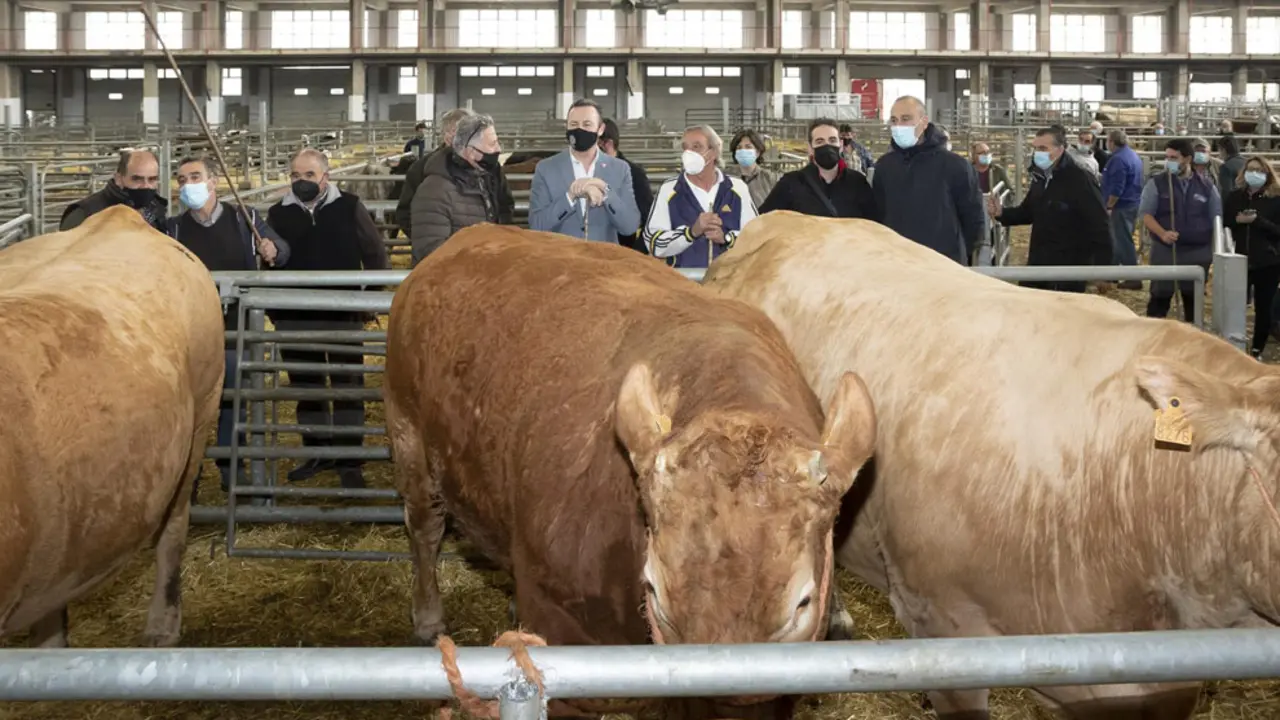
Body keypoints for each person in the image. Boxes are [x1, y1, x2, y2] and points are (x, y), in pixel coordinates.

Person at [266, 148, 391, 489]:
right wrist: (274, 306)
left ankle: (350, 458)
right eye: (294, 176)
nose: (301, 182)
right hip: (296, 315)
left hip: (342, 312)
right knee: (307, 384)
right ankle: (317, 450)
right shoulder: (278, 214)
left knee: (347, 383)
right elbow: (268, 262)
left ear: (325, 177)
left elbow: (375, 252)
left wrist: (367, 298)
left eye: (308, 175)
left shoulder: (349, 207)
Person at [166, 155, 290, 496]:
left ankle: (230, 465)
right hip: (190, 327)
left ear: (213, 182)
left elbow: (282, 250)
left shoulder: (244, 219)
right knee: (187, 401)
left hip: (236, 326)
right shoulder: (173, 228)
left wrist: (272, 249)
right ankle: (186, 475)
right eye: (180, 179)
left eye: (194, 176)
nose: (187, 184)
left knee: (232, 396)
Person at [987, 125, 1111, 293]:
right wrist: (1002, 213)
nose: (1037, 153)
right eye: (1036, 148)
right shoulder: (1040, 177)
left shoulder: (1080, 180)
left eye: (1043, 148)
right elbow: (1028, 212)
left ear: (1060, 150)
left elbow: (1100, 224)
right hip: (1039, 261)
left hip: (1067, 268)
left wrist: (1103, 270)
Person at [872, 95, 984, 264]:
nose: (898, 126)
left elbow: (973, 219)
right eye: (894, 120)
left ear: (924, 122)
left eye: (906, 119)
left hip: (943, 264)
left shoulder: (956, 166)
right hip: (897, 263)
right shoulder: (884, 167)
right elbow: (879, 215)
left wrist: (957, 251)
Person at [644, 124, 757, 268]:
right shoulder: (669, 190)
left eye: (696, 147)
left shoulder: (737, 188)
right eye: (685, 147)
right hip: (682, 282)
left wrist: (726, 238)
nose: (688, 153)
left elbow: (755, 237)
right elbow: (653, 242)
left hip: (728, 282)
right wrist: (690, 233)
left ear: (713, 152)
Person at [528, 97, 640, 242]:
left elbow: (630, 226)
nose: (579, 129)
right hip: (560, 259)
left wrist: (606, 192)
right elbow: (536, 225)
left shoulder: (620, 169)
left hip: (603, 260)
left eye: (587, 124)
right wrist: (569, 197)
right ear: (566, 127)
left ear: (600, 129)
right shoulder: (546, 168)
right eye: (574, 124)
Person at [409, 112, 514, 265]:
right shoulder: (434, 192)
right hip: (455, 281)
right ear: (471, 152)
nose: (498, 149)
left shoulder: (487, 178)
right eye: (493, 144)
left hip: (484, 274)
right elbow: (432, 254)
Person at [1140, 138, 1221, 323]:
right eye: (1167, 157)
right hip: (1166, 251)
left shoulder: (1207, 186)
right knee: (1159, 298)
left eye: (1174, 158)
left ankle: (1192, 339)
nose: (1169, 162)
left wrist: (1214, 251)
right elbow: (1146, 214)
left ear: (1188, 159)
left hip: (1197, 253)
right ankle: (1153, 337)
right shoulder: (1157, 183)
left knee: (1193, 302)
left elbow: (1216, 217)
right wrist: (1162, 233)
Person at [759, 118, 878, 221]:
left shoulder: (857, 183)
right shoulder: (791, 183)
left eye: (832, 140)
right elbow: (764, 220)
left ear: (841, 145)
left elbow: (873, 224)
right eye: (819, 141)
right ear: (810, 148)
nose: (827, 146)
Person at [1223, 155, 1280, 359]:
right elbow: (1226, 222)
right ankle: (1235, 348)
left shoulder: (1276, 199)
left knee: (1263, 308)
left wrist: (1257, 221)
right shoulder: (1235, 196)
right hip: (1240, 260)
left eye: (1259, 170)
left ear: (1267, 174)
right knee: (1236, 306)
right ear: (1244, 173)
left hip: (1269, 262)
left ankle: (1257, 349)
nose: (1254, 174)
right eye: (1250, 169)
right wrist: (1238, 221)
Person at [394, 107, 476, 240]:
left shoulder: (487, 167)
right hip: (436, 251)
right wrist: (427, 240)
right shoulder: (421, 169)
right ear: (447, 135)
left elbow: (503, 206)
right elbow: (404, 213)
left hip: (479, 250)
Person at [60, 148, 168, 232]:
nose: (145, 186)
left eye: (152, 179)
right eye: (137, 179)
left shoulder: (157, 210)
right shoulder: (85, 213)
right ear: (119, 179)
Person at [599, 117, 653, 253]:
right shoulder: (586, 173)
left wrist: (634, 254)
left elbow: (650, 221)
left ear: (607, 144)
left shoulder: (635, 175)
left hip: (623, 253)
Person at [1100, 129, 1145, 287]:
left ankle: (1133, 278)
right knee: (1118, 239)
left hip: (1121, 205)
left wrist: (1109, 205)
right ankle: (1112, 273)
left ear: (1112, 142)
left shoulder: (1118, 159)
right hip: (1132, 202)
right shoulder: (1132, 155)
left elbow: (1117, 187)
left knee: (1123, 240)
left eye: (1107, 140)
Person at [727, 128, 779, 208]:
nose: (743, 150)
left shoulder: (770, 179)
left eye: (748, 147)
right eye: (739, 147)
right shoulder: (727, 179)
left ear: (758, 152)